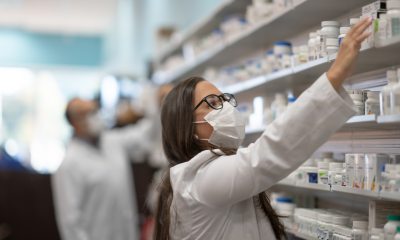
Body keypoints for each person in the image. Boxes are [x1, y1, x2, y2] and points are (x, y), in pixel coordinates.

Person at [154, 17, 373, 240]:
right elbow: (270, 153)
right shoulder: (200, 179)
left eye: (226, 100)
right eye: (212, 102)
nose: (226, 108)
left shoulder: (204, 176)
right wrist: (335, 75)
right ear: (186, 126)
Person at [52, 98, 154, 240]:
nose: (95, 116)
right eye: (86, 114)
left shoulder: (112, 141)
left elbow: (146, 135)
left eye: (94, 110)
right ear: (74, 123)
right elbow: (70, 222)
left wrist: (154, 104)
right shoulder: (69, 164)